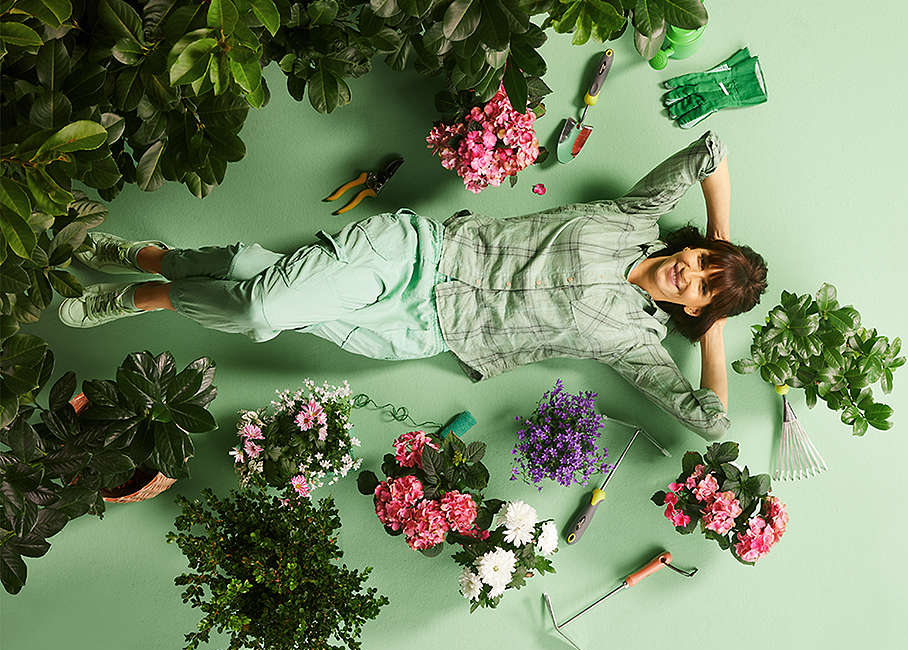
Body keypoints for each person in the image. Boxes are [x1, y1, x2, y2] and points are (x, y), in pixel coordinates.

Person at [60, 132, 767, 440]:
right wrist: (725, 237)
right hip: (418, 255)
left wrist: (714, 332)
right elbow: (712, 150)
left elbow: (711, 419)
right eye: (703, 260)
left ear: (695, 307)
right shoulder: (632, 216)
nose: (692, 273)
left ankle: (151, 265)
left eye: (704, 287)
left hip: (423, 331)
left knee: (253, 279)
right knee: (265, 307)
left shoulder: (635, 344)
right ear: (697, 247)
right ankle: (141, 292)